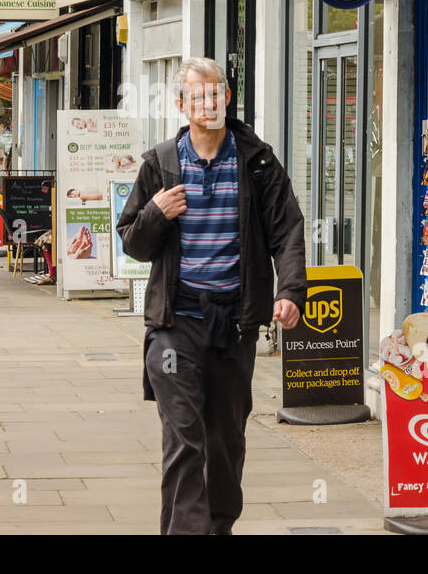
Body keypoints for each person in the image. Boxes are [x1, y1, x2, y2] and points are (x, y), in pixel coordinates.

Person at [116, 57, 305, 536]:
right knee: (184, 438)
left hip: (233, 327)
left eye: (216, 93)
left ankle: (218, 527)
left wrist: (289, 291)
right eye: (198, 96)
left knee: (224, 442)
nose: (209, 103)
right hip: (175, 327)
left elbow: (287, 229)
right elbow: (133, 244)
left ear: (226, 98)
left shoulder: (257, 161)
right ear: (182, 105)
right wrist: (156, 213)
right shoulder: (159, 164)